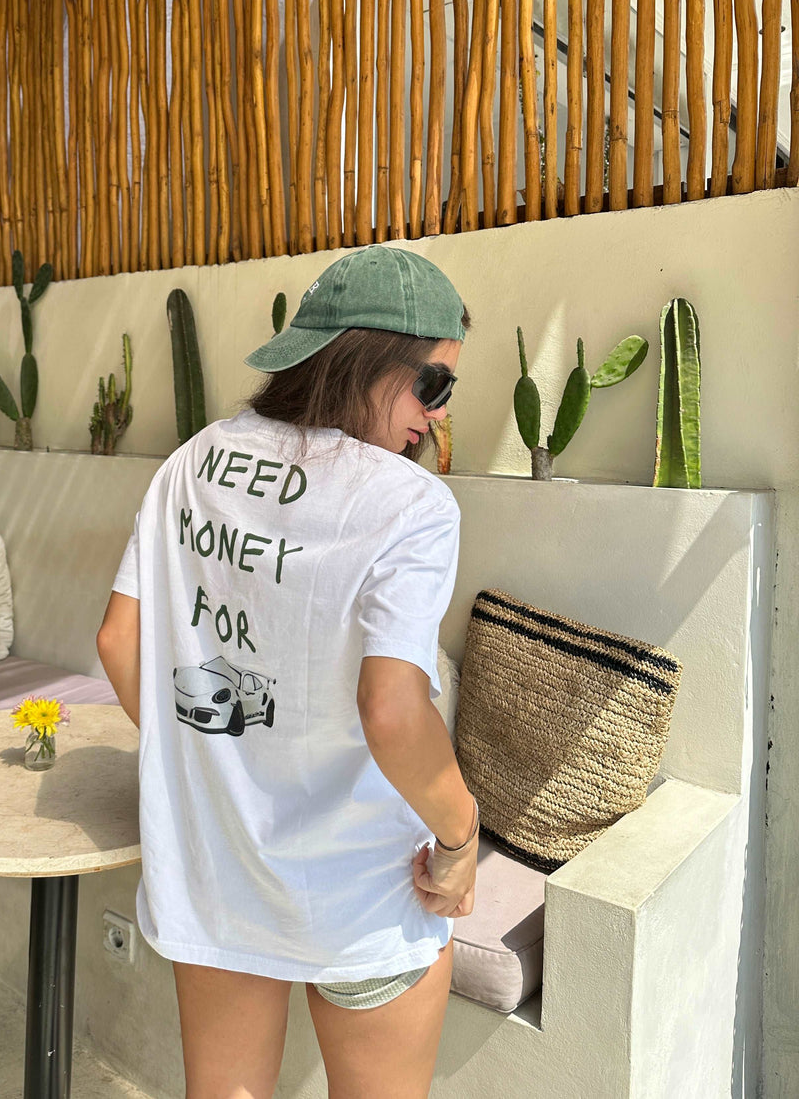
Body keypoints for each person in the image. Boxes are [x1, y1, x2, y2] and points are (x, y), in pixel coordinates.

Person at [97, 244, 479, 1099]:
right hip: (366, 886)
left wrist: (217, 757)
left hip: (218, 871)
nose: (437, 416)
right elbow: (391, 706)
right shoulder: (410, 505)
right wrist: (460, 833)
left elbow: (121, 644)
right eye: (433, 385)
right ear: (365, 356)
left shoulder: (189, 465)